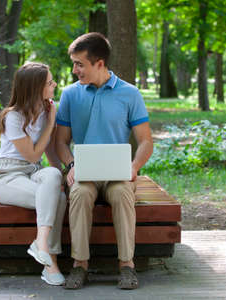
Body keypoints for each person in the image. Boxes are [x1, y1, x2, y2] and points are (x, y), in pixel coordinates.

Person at [55, 32, 153, 290]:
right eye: (74, 63)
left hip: (117, 175)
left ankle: (127, 266)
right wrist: (71, 166)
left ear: (99, 63)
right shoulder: (70, 95)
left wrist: (133, 168)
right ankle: (79, 265)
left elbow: (145, 141)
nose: (75, 70)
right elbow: (61, 142)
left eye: (80, 64)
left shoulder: (130, 94)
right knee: (79, 194)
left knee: (122, 193)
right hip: (84, 174)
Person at [0, 62, 67, 286]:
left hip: (33, 172)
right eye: (49, 82)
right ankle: (50, 263)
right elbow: (33, 155)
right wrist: (51, 122)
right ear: (35, 88)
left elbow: (50, 149)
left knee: (54, 177)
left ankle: (40, 243)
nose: (54, 85)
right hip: (8, 176)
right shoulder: (13, 117)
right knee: (58, 199)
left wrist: (63, 176)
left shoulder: (46, 109)